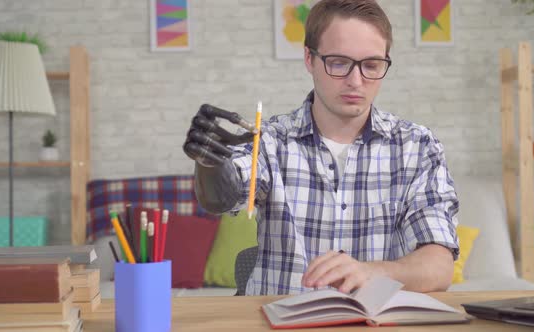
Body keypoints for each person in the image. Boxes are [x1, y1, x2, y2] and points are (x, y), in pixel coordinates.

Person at [183, 0, 459, 296]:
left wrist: (371, 272)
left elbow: (439, 266)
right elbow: (221, 197)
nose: (356, 81)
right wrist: (209, 163)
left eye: (371, 65)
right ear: (309, 59)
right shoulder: (270, 141)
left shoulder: (416, 147)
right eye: (339, 63)